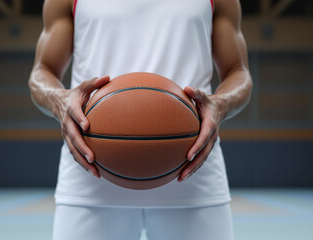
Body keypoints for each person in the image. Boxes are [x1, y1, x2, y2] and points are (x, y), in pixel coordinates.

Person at [29, 0, 252, 239]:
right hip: (90, 177)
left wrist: (220, 104)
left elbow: (239, 72)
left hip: (193, 175)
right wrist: (61, 101)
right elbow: (42, 71)